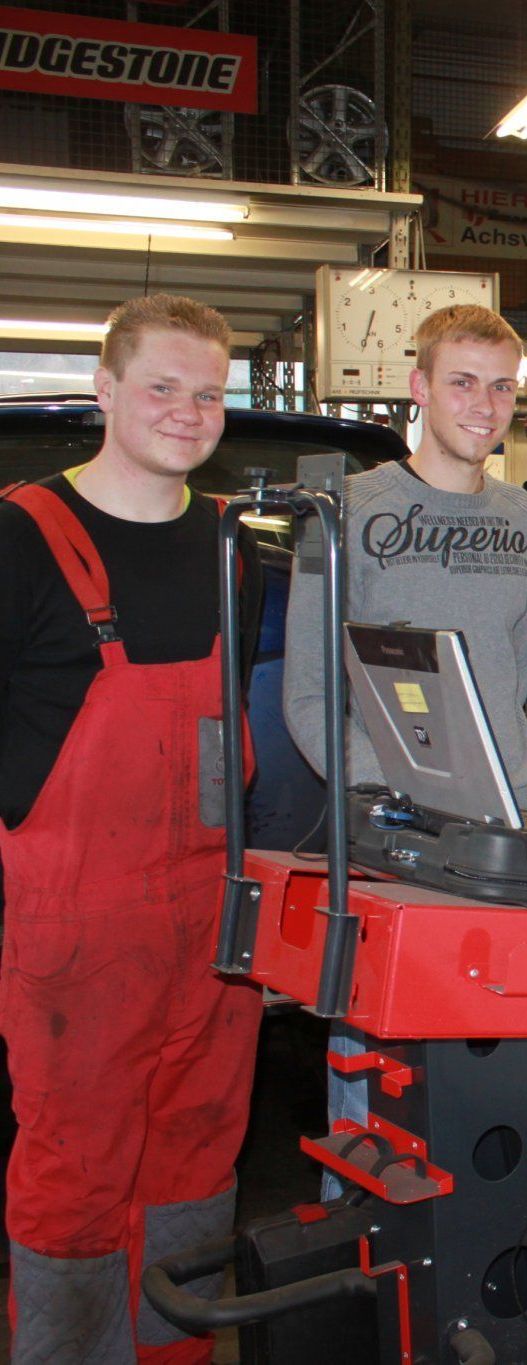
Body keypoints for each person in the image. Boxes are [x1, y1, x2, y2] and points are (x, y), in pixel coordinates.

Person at [0, 293, 264, 1362]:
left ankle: (176, 1350)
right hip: (77, 937)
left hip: (211, 927)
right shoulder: (21, 534)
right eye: (162, 386)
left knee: (199, 1159)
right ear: (105, 391)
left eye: (207, 394)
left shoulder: (232, 544)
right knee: (75, 1168)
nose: (186, 411)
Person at [283, 303, 527, 1165]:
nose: (483, 403)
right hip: (389, 834)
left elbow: (515, 669)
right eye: (463, 381)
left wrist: (512, 792)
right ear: (419, 387)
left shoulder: (524, 520)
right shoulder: (347, 508)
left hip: (498, 835)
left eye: (502, 386)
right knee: (375, 1051)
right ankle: (362, 1240)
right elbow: (309, 691)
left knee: (487, 1046)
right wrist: (385, 797)